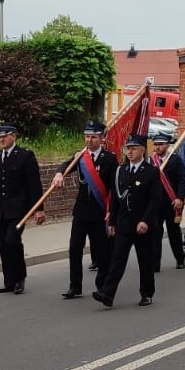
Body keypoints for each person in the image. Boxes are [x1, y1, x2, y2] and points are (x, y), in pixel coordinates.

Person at [94, 133, 167, 307]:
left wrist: (146, 221)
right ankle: (107, 293)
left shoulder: (151, 171)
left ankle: (147, 294)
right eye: (128, 148)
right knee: (117, 260)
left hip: (143, 225)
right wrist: (112, 222)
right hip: (124, 223)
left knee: (145, 261)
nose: (130, 152)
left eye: (134, 148)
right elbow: (115, 198)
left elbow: (155, 200)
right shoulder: (121, 170)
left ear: (143, 150)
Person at [51, 121, 117, 300]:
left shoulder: (110, 159)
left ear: (101, 138)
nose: (89, 140)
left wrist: (112, 211)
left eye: (93, 137)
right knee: (74, 248)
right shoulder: (80, 156)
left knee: (102, 252)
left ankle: (102, 286)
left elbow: (114, 188)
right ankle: (75, 286)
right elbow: (65, 166)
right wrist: (59, 173)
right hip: (81, 212)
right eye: (87, 136)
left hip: (100, 212)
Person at [0, 122, 44, 294]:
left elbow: (34, 184)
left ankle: (20, 277)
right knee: (3, 245)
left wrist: (39, 209)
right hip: (1, 209)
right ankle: (9, 281)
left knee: (12, 241)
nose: (1, 140)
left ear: (13, 136)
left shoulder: (25, 156)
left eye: (4, 136)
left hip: (19, 209)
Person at [150, 131, 185, 271]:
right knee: (155, 234)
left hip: (172, 202)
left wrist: (180, 198)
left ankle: (180, 259)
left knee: (174, 233)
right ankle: (155, 263)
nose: (158, 147)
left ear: (167, 145)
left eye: (161, 144)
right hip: (156, 203)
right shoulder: (151, 160)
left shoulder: (175, 160)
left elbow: (183, 179)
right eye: (156, 144)